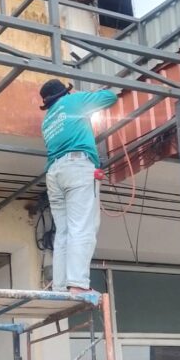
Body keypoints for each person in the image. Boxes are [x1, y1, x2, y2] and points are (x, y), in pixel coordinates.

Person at [40, 79, 118, 294]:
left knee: (64, 232)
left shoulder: (47, 121)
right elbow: (110, 97)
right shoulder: (73, 101)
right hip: (76, 166)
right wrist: (90, 93)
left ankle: (60, 287)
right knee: (82, 227)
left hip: (54, 173)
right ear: (64, 93)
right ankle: (77, 285)